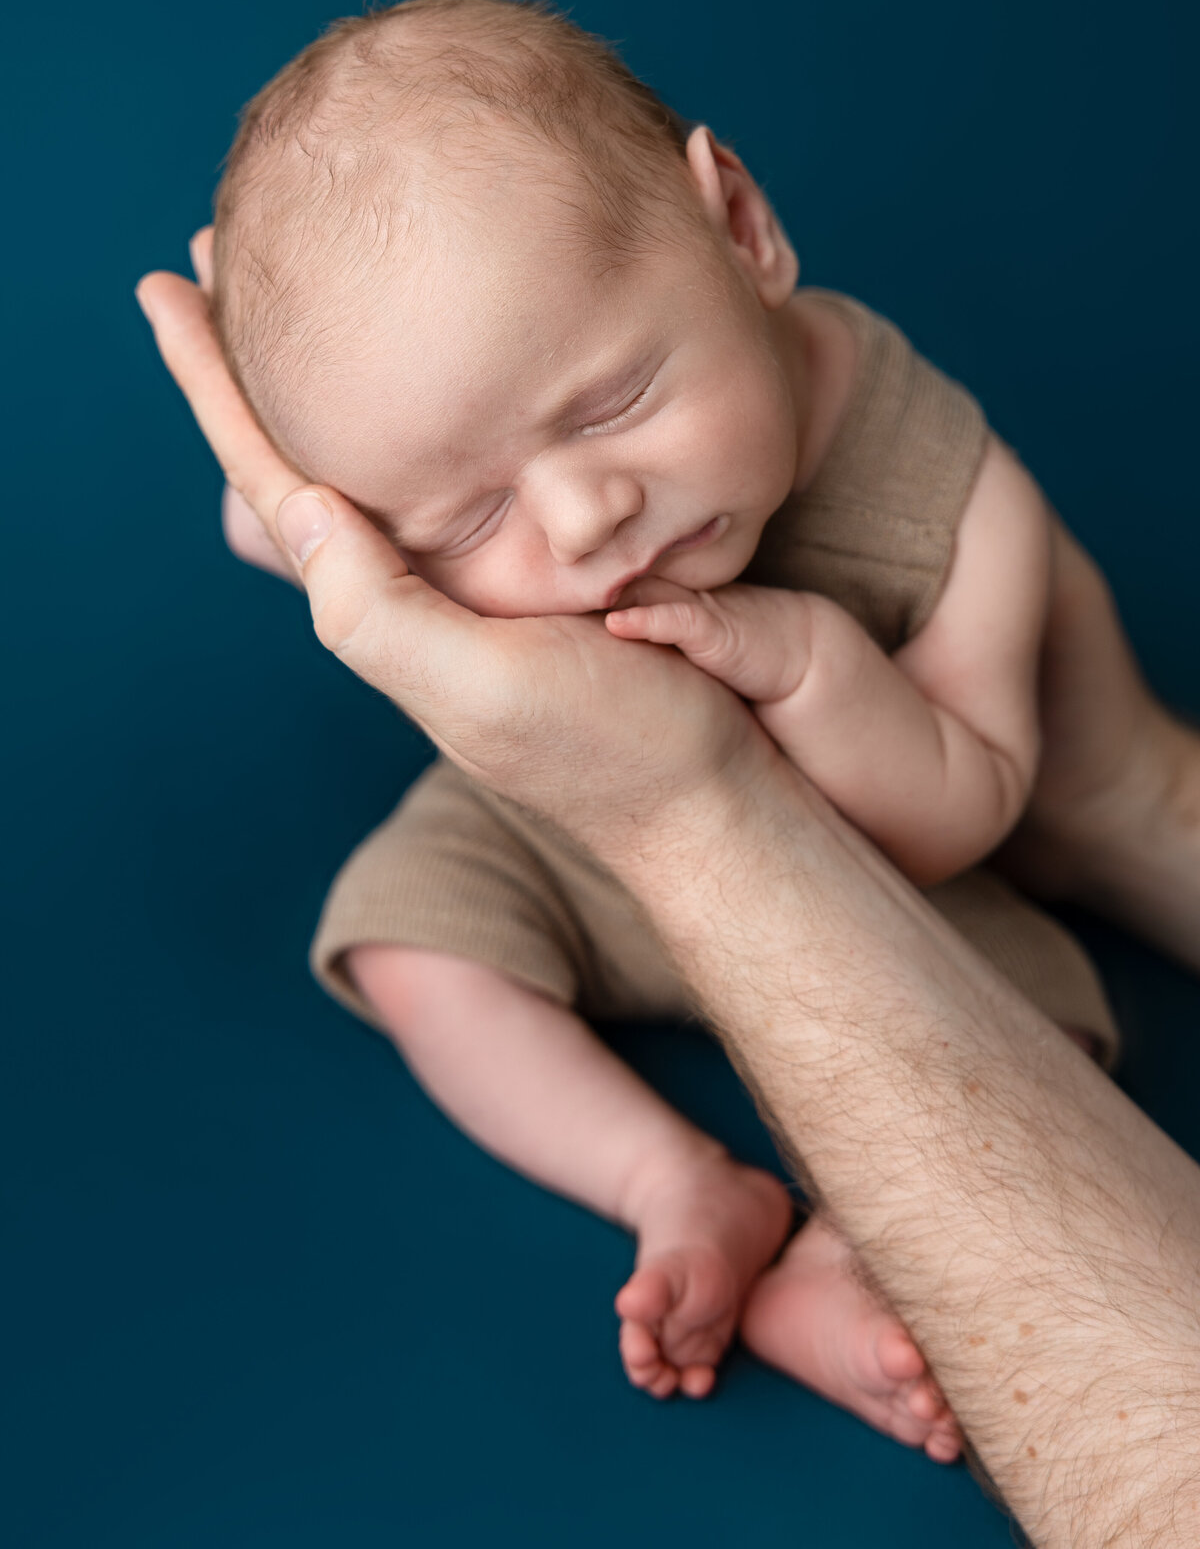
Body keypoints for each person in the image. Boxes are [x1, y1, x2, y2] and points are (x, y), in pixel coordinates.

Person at [138, 241, 1200, 1545]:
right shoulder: (440, 475)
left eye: (607, 406)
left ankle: (843, 1265)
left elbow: (966, 804)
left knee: (1030, 1059)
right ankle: (675, 1181)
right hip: (550, 837)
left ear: (740, 226)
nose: (585, 520)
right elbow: (272, 526)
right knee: (408, 939)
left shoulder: (953, 490)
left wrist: (807, 665)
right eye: (471, 518)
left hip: (872, 883)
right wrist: (308, 389)